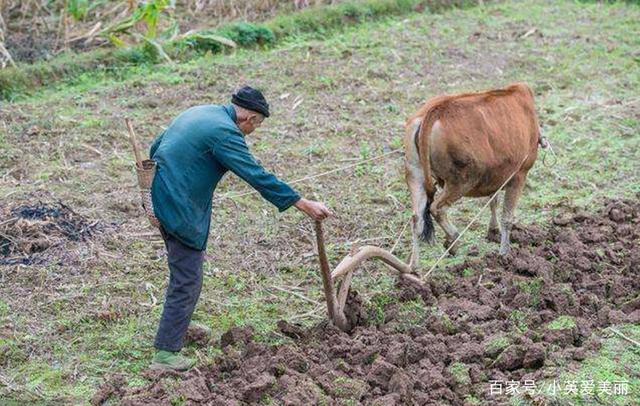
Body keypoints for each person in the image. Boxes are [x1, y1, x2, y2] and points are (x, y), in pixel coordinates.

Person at [148, 86, 332, 371]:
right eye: (257, 123)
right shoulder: (225, 132)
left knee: (184, 269)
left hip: (161, 195)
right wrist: (301, 203)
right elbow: (255, 174)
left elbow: (156, 146)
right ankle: (166, 353)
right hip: (179, 205)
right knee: (188, 276)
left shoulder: (203, 112)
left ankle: (178, 325)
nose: (254, 130)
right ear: (249, 116)